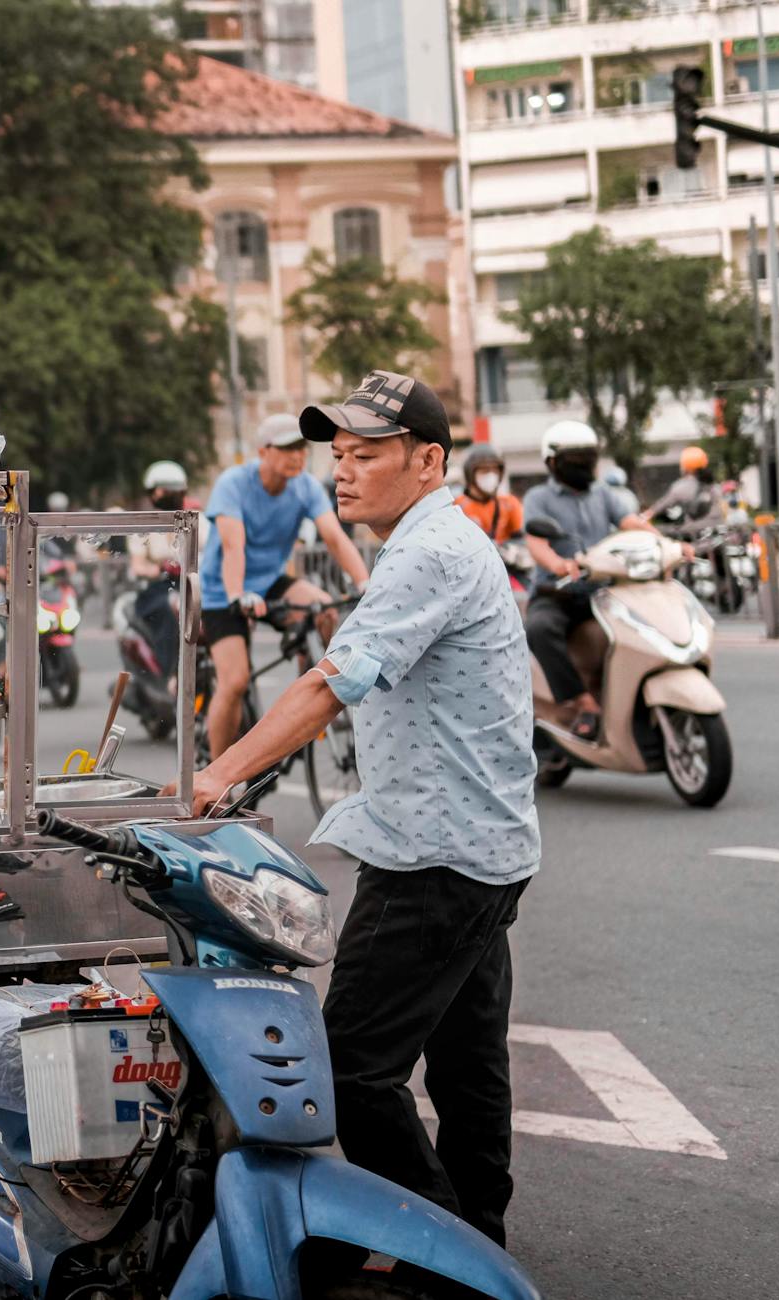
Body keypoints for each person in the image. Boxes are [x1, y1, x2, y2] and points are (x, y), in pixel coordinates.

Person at [185, 369, 540, 1246]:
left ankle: (439, 1245)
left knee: (349, 1069)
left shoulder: (431, 552)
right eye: (337, 456)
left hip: (433, 857)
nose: (343, 473)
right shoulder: (428, 541)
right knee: (465, 1066)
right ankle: (480, 1231)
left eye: (366, 455)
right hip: (482, 846)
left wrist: (215, 773)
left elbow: (330, 683)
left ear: (427, 462)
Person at [200, 413, 370, 761]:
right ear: (263, 452)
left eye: (301, 449)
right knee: (234, 682)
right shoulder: (233, 483)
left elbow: (334, 538)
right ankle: (216, 778)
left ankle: (312, 689)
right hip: (224, 590)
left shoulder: (305, 485)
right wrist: (237, 596)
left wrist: (366, 581)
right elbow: (233, 545)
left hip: (270, 582)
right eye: (287, 448)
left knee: (323, 608)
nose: (297, 456)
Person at [521, 422, 686, 742]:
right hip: (557, 592)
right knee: (539, 629)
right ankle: (582, 702)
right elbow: (536, 544)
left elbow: (631, 524)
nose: (583, 466)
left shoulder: (604, 494)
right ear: (552, 463)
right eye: (574, 459)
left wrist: (669, 547)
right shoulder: (538, 497)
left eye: (588, 458)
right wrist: (560, 564)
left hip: (604, 590)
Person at [129, 460, 188, 681]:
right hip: (158, 590)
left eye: (175, 490)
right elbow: (138, 565)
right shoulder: (144, 527)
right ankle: (169, 675)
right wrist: (158, 569)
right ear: (152, 493)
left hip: (190, 586)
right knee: (168, 615)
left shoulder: (194, 522)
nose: (170, 494)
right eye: (164, 490)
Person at [453, 443, 523, 542]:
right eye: (484, 470)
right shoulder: (457, 507)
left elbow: (520, 540)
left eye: (495, 470)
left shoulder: (509, 503)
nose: (491, 475)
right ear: (470, 474)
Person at [646, 446, 722, 526]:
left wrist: (646, 515)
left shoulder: (680, 487)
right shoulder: (715, 486)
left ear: (684, 466)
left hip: (694, 532)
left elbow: (661, 506)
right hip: (716, 528)